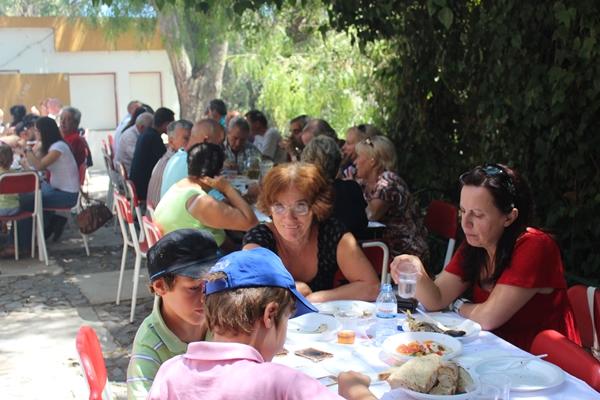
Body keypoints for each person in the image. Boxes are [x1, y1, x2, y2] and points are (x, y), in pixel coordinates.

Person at [390, 164, 582, 352]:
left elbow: (488, 317)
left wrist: (458, 304)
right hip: (496, 350)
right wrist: (416, 270)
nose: (465, 223)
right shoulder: (478, 242)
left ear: (509, 217)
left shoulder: (535, 245)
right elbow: (437, 298)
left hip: (543, 358)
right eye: (463, 211)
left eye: (477, 215)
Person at [147, 247, 378, 400]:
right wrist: (356, 391)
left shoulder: (169, 373)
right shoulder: (283, 383)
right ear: (270, 314)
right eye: (287, 318)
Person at [242, 163, 380, 303]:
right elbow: (245, 290)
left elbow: (372, 287)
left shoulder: (331, 233)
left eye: (300, 206)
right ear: (269, 208)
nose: (289, 217)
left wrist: (316, 298)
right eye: (279, 206)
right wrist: (292, 289)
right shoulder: (259, 239)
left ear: (316, 206)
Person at [127, 229, 223, 400]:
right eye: (194, 288)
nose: (206, 297)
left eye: (212, 283)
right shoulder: (149, 345)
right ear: (160, 287)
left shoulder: (223, 316)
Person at [155, 143, 258, 253]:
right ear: (219, 172)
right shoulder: (202, 202)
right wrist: (228, 189)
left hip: (177, 252)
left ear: (189, 166)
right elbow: (253, 224)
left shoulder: (178, 186)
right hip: (196, 258)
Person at [2, 117, 79, 256]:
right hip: (56, 188)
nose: (34, 133)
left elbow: (38, 166)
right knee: (26, 198)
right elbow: (35, 163)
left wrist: (27, 147)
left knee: (25, 203)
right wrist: (31, 151)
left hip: (67, 194)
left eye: (37, 130)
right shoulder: (54, 145)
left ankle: (18, 245)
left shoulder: (58, 147)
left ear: (44, 131)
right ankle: (28, 240)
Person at [353, 135, 429, 263]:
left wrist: (351, 191)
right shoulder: (366, 182)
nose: (355, 162)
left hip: (405, 249)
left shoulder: (388, 182)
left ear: (372, 161)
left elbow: (372, 214)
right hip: (382, 245)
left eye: (359, 157)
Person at [301, 136, 369, 240]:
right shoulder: (353, 188)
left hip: (323, 249)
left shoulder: (306, 193)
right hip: (361, 248)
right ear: (338, 162)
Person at [160, 119, 225, 199]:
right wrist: (229, 189)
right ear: (205, 141)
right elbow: (221, 202)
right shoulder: (195, 164)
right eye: (220, 144)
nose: (224, 149)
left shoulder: (176, 157)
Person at [130, 107, 174, 200]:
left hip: (136, 185)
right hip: (143, 188)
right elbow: (166, 161)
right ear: (167, 124)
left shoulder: (145, 133)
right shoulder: (153, 137)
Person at [146, 119, 192, 210]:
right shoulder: (178, 162)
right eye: (185, 138)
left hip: (153, 215)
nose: (191, 143)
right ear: (171, 142)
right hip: (159, 217)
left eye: (193, 138)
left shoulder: (165, 159)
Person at [0, 145, 20, 219]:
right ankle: (3, 223)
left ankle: (3, 223)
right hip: (15, 209)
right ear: (12, 161)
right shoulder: (16, 173)